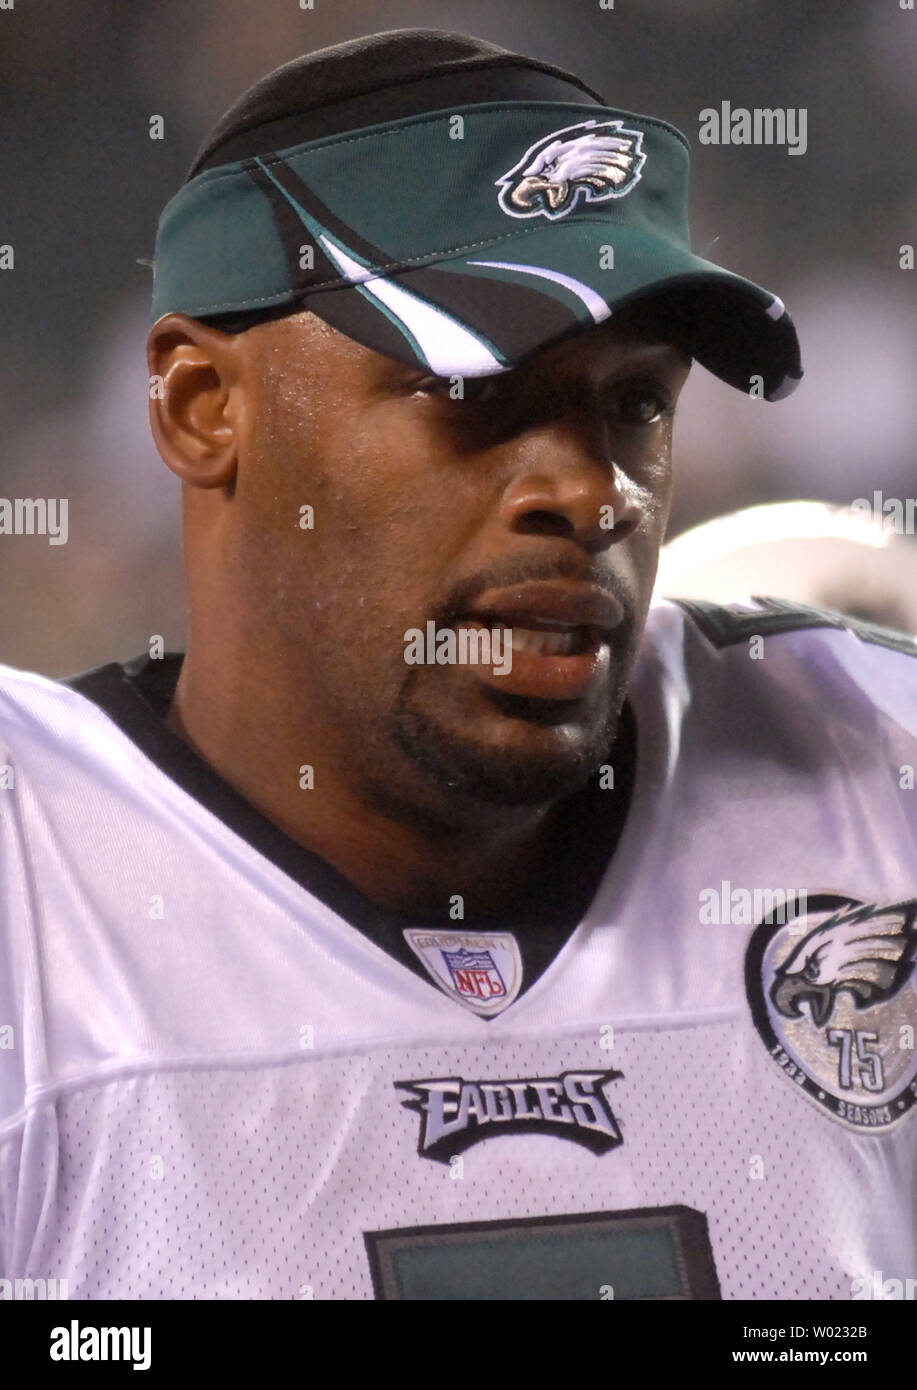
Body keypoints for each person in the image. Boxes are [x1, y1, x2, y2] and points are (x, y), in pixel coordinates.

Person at [1, 29, 914, 1302]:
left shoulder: (870, 773)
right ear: (203, 407)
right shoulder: (34, 893)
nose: (593, 493)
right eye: (476, 396)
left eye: (635, 405)